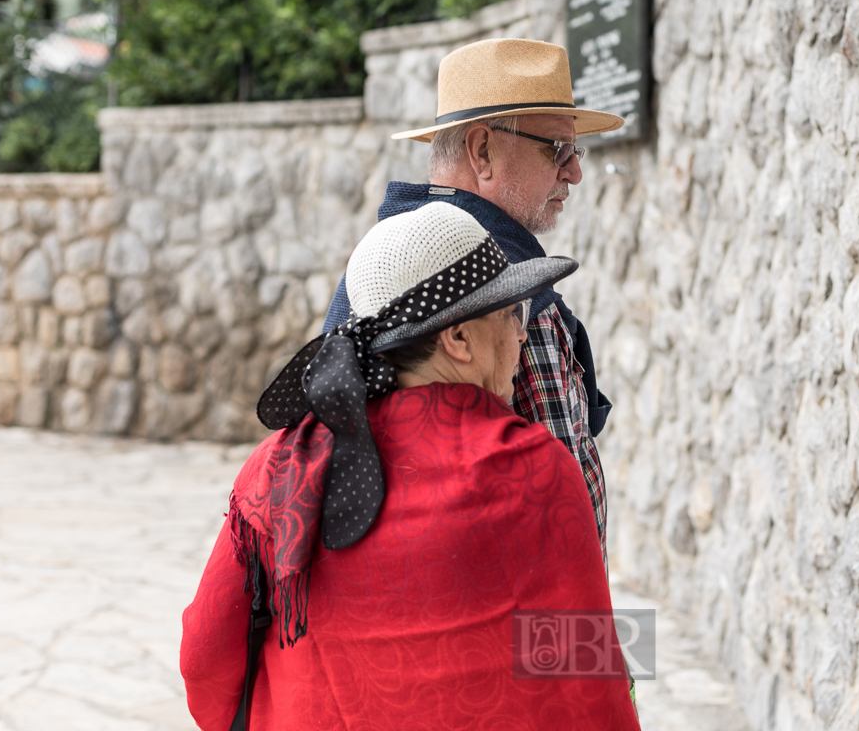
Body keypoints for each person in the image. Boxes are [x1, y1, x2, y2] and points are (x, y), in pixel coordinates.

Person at [181, 203, 640, 730]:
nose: (520, 334)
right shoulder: (530, 471)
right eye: (512, 314)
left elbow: (202, 662)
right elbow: (585, 687)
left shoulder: (278, 467)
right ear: (458, 339)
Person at [321, 38, 622, 563]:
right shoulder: (511, 288)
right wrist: (584, 640)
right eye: (558, 149)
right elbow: (567, 519)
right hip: (511, 628)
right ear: (482, 151)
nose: (574, 171)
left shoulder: (378, 264)